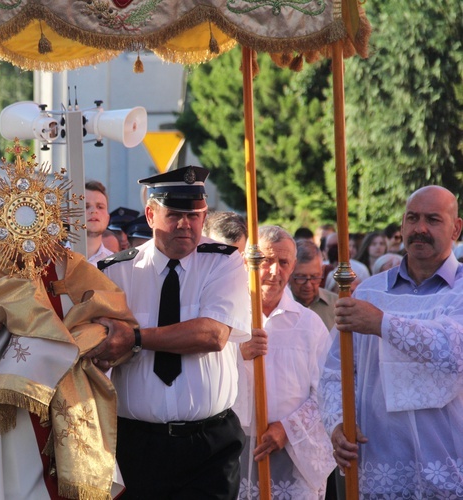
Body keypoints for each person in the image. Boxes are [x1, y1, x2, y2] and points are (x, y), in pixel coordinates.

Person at [0, 142, 135, 499]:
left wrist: (96, 337)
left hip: (72, 397)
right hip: (11, 413)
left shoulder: (74, 268)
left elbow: (118, 321)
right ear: (3, 225)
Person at [95, 166, 251, 499]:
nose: (186, 224)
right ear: (150, 214)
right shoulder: (117, 271)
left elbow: (211, 336)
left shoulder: (224, 263)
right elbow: (99, 344)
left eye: (195, 215)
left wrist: (136, 339)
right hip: (138, 445)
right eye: (176, 214)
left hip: (209, 447)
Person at [321, 185, 463, 497]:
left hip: (449, 463)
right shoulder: (369, 292)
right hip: (378, 465)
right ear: (401, 225)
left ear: (456, 228)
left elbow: (453, 346)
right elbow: (335, 372)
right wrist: (337, 423)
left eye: (433, 219)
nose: (420, 229)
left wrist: (381, 323)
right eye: (412, 218)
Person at [234, 226, 333, 499]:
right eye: (266, 260)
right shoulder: (226, 315)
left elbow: (327, 390)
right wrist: (236, 354)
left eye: (284, 262)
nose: (275, 271)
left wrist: (287, 428)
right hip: (236, 445)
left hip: (294, 449)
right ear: (247, 262)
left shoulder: (309, 325)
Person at [289, 239, 339, 330]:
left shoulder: (337, 305)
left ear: (322, 271)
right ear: (289, 274)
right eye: (301, 277)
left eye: (315, 277)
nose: (308, 285)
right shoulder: (278, 305)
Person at [84, 181, 113, 265]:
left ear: (107, 218)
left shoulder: (116, 265)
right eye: (86, 207)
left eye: (100, 207)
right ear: (69, 218)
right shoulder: (54, 260)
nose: (94, 211)